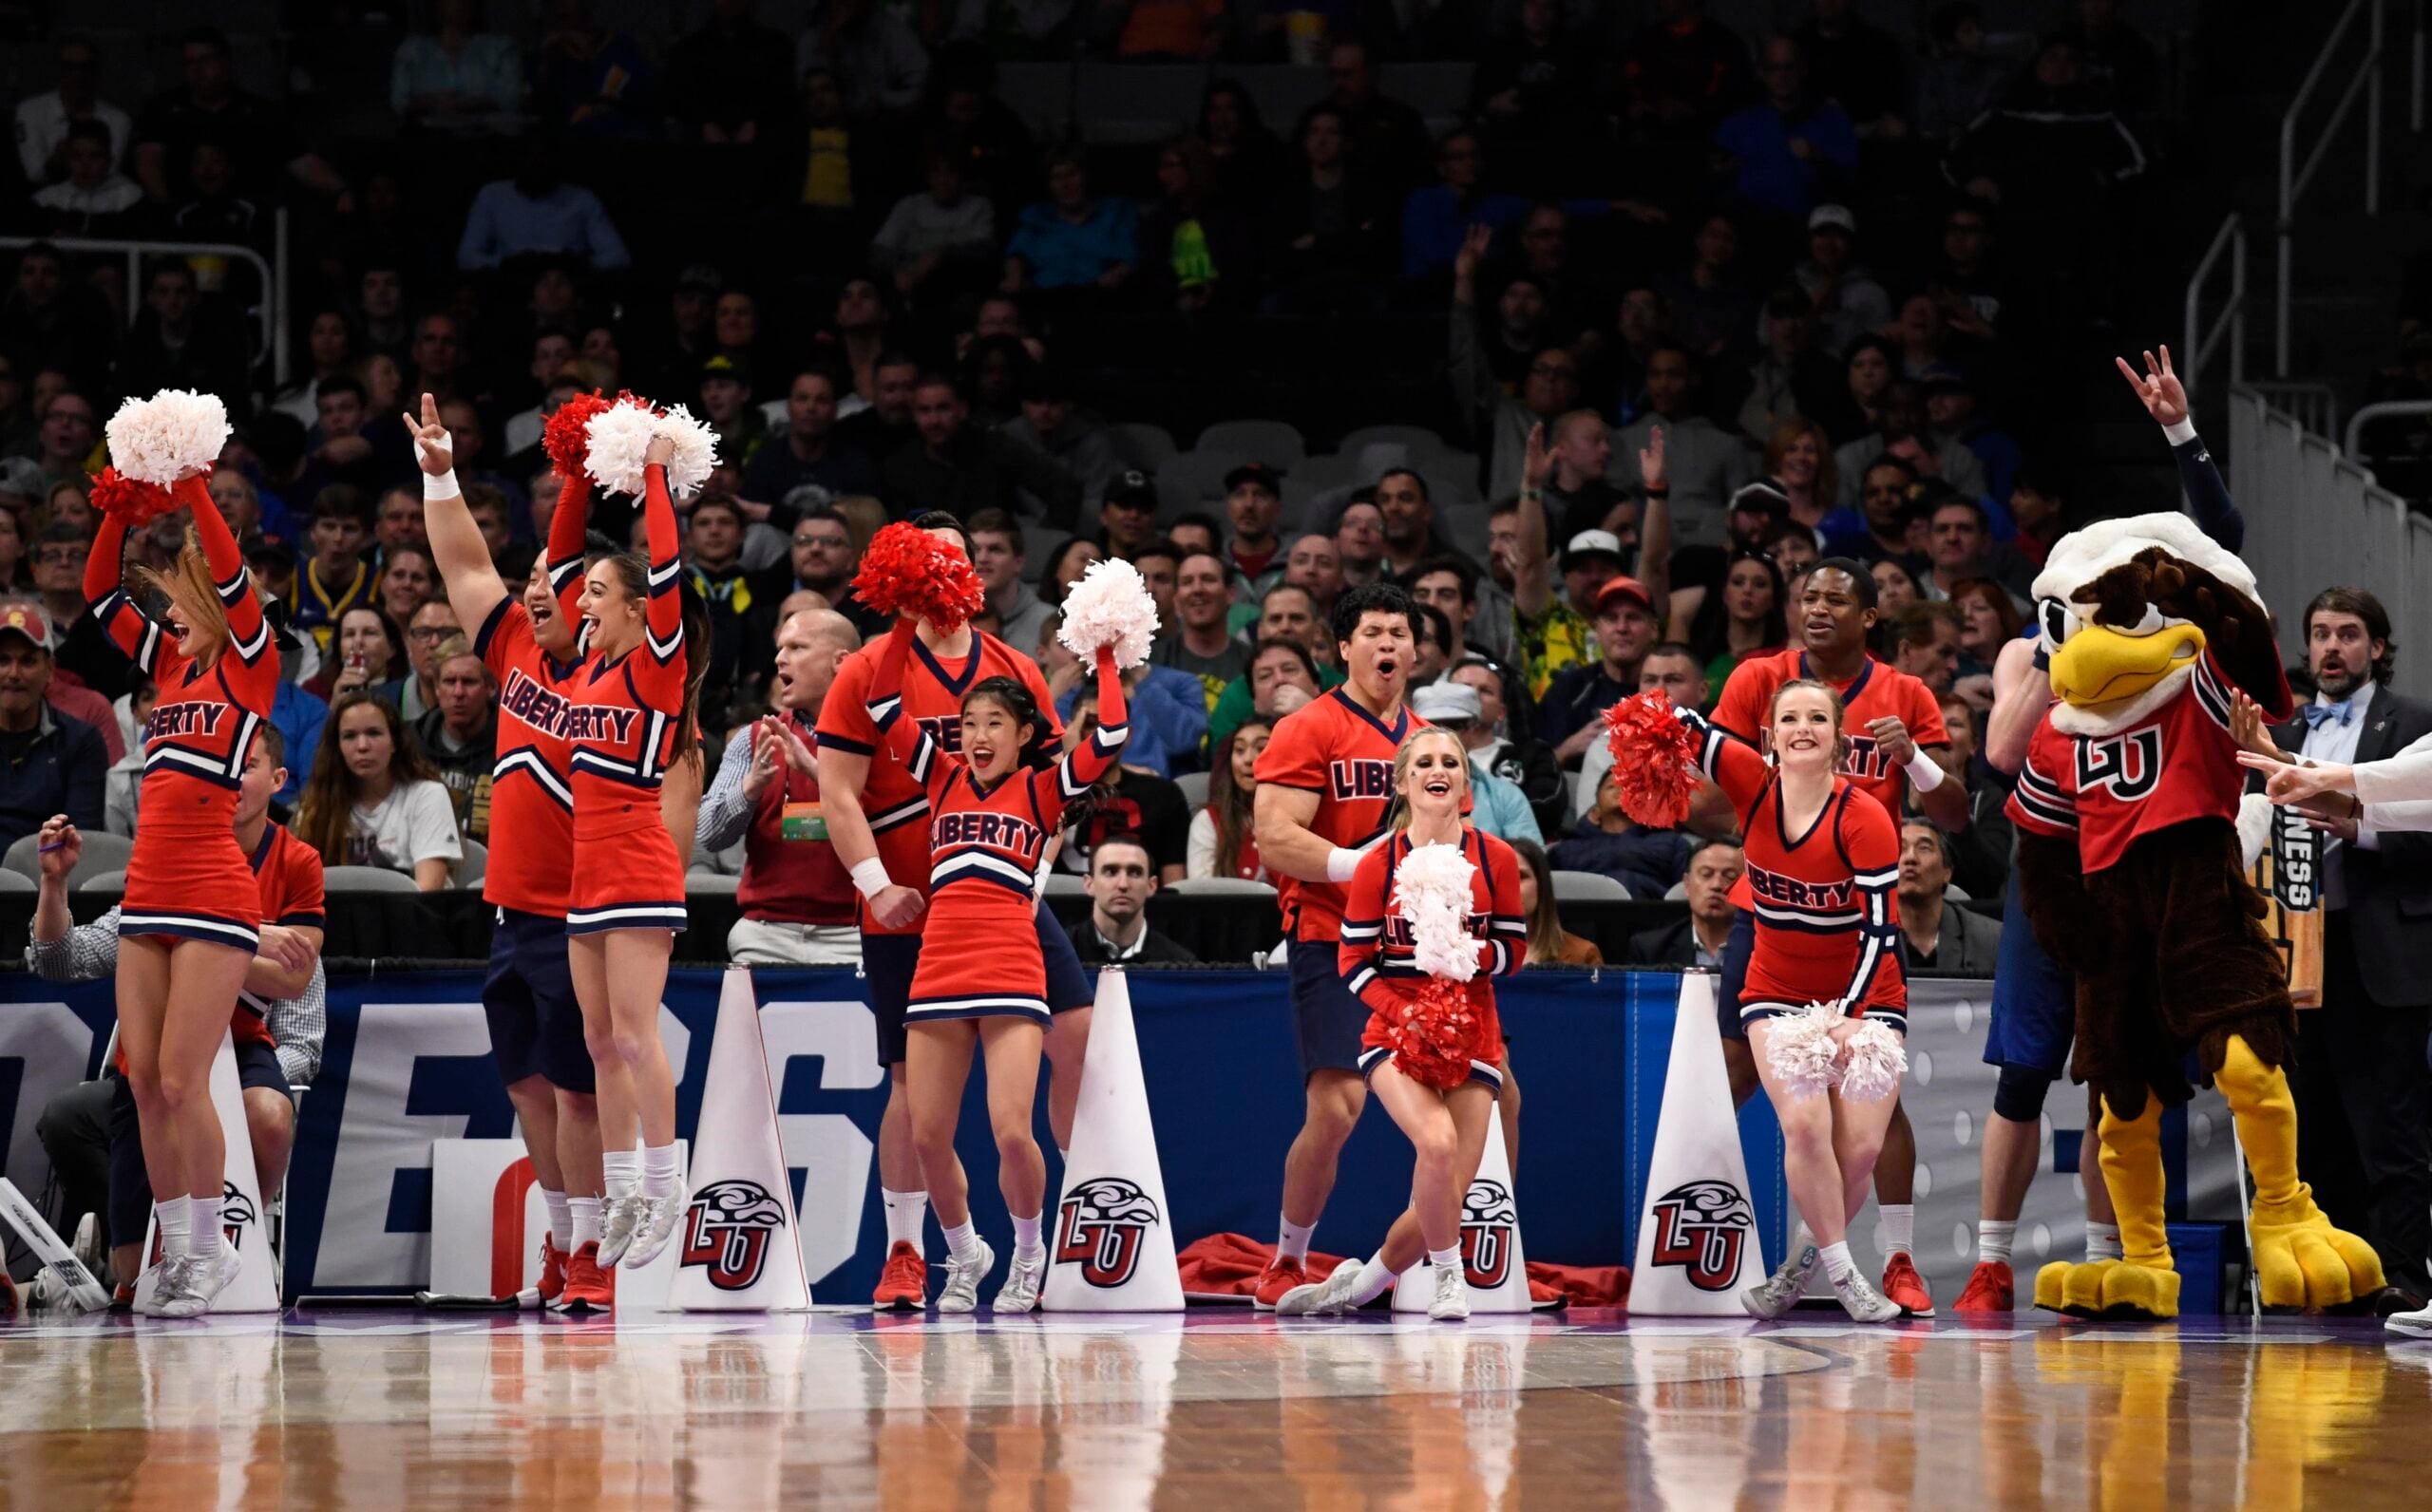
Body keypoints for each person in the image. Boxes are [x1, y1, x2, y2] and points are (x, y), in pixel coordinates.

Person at [814, 516, 1094, 1312]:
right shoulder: (870, 666)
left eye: (956, 561)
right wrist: (874, 886)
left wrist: (1033, 876)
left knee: (1075, 1036)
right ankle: (913, 1249)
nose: (946, 577)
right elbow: (837, 789)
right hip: (907, 912)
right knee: (913, 1093)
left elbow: (1055, 791)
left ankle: (1063, 1223)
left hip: (1003, 897)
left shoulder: (1013, 669)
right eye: (929, 564)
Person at [856, 592, 1129, 1313]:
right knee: (927, 1132)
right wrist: (903, 618)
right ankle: (966, 1251)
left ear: (1021, 734)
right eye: (969, 724)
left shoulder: (1041, 791)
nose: (978, 735)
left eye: (994, 724)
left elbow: (1109, 738)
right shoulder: (940, 777)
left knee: (1012, 1131)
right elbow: (883, 705)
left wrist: (1102, 657)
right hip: (938, 966)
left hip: (1011, 966)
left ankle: (1030, 1251)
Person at [1707, 557, 1961, 1315]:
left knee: (1874, 1115)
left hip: (1862, 930)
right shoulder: (1759, 677)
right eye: (1806, 597)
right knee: (1757, 1087)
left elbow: (1954, 812)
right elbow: (1707, 770)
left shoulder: (1905, 695)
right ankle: (1704, 1242)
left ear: (1870, 616)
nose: (1817, 609)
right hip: (1773, 921)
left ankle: (1895, 1257)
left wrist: (1910, 757)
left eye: (1835, 599)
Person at [409, 393, 610, 1311]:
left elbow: (568, 560)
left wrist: (578, 477)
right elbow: (459, 560)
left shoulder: (624, 673)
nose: (532, 587)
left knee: (577, 1095)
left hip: (584, 919)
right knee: (529, 1085)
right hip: (512, 912)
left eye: (552, 580)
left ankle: (595, 1257)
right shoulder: (518, 647)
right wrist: (442, 472)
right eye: (528, 576)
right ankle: (563, 1238)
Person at [81, 448, 285, 1317]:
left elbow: (234, 582)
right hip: (148, 893)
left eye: (178, 605)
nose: (165, 616)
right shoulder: (168, 671)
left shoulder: (250, 665)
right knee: (148, 1082)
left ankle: (211, 1251)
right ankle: (177, 1247)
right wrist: (119, 511)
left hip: (213, 894)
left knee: (186, 1078)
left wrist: (194, 484)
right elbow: (98, 591)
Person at [1634, 684, 1909, 1320]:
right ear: (1771, 736)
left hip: (1867, 994)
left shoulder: (1864, 816)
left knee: (1861, 1149)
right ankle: (1846, 1278)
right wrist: (1641, 735)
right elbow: (1673, 720)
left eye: (1818, 718)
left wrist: (1847, 1014)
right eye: (1790, 718)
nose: (1803, 727)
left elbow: (1880, 933)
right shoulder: (1748, 780)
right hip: (1776, 992)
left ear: (1839, 737)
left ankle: (1801, 1263)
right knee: (1804, 1125)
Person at [25, 726, 321, 1299]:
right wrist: (54, 887)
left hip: (242, 1051)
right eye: (218, 770)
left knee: (266, 1111)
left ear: (278, 779)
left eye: (247, 766)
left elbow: (299, 979)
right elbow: (64, 958)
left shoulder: (297, 861)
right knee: (135, 1279)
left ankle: (244, 1245)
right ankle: (125, 1241)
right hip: (150, 1065)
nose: (230, 782)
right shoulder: (165, 863)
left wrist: (205, 937)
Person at [1275, 726, 1526, 1321]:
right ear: (1404, 782)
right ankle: (1448, 1279)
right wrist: (1405, 1012)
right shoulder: (1376, 863)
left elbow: (1514, 951)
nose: (1437, 770)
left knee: (1451, 1192)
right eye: (1424, 763)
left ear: (1465, 783)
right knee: (1434, 1144)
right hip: (1396, 1033)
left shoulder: (1498, 858)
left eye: (1450, 762)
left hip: (1474, 1035)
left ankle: (1359, 1286)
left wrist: (1466, 956)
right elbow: (1352, 962)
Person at [2238, 587, 2432, 1305]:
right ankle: (2339, 1279)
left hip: (2380, 947)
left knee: (2391, 1127)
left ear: (2377, 647)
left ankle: (2406, 1281)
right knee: (2309, 1121)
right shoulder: (2285, 724)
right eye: (2320, 633)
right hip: (2292, 950)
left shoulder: (2412, 721)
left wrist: (2358, 827)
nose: (2330, 647)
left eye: (2348, 634)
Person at [1248, 582, 1439, 1308]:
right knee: (1336, 1110)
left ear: (1416, 649)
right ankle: (1288, 1259)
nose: (1387, 644)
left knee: (1483, 1101)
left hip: (1418, 950)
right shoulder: (1310, 727)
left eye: (1398, 632)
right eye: (1372, 633)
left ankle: (1431, 1261)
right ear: (1343, 648)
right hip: (1332, 939)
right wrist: (1365, 865)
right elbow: (1275, 836)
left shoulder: (1428, 745)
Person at [550, 431, 702, 1275]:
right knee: (600, 1039)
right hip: (585, 871)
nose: (583, 602)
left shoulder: (655, 667)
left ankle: (665, 1184)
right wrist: (577, 472)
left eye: (601, 594)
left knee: (639, 1036)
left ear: (640, 608)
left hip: (639, 861)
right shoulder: (582, 675)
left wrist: (651, 475)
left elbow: (669, 570)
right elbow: (563, 555)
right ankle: (620, 1193)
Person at [696, 608, 865, 966]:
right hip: (766, 933)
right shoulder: (753, 739)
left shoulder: (882, 738)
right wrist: (749, 789)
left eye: (797, 647)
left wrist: (823, 776)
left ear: (841, 661)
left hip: (856, 933)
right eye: (779, 648)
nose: (779, 659)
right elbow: (709, 834)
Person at [291, 690, 462, 888]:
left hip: (413, 915)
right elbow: (302, 888)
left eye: (374, 733)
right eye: (350, 736)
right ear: (337, 746)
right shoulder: (319, 801)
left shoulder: (428, 795)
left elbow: (428, 891)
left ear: (395, 742)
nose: (362, 746)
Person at [0, 601, 106, 845]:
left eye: (27, 661)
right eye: (3, 660)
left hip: (50, 877)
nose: (13, 674)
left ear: (50, 670)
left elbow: (80, 841)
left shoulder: (82, 741)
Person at [1411, 682, 1541, 846]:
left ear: (1474, 730)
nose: (1441, 735)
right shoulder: (1391, 791)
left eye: (1454, 726)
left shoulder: (1507, 796)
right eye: (1429, 726)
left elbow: (1528, 863)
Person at [1068, 834, 1197, 966]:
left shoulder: (1180, 965)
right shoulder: (1056, 956)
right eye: (1111, 872)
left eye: (1135, 873)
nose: (1123, 884)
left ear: (1151, 886)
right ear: (1089, 884)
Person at [1895, 820, 1999, 973]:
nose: (1910, 858)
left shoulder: (1992, 939)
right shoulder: (1859, 937)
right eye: (1900, 849)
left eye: (1924, 848)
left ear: (1947, 872)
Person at [1628, 838, 1744, 968]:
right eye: (1706, 874)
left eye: (1730, 877)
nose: (1716, 885)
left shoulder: (1760, 949)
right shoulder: (1651, 949)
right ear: (1687, 884)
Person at [1188, 717, 1270, 881]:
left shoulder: (1305, 819)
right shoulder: (1209, 821)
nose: (1248, 759)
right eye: (1239, 750)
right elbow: (1201, 894)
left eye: (1261, 748)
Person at [1511, 836, 1603, 966]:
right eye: (1500, 876)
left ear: (1542, 885)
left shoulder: (1583, 955)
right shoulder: (1472, 954)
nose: (1509, 887)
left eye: (1521, 876)